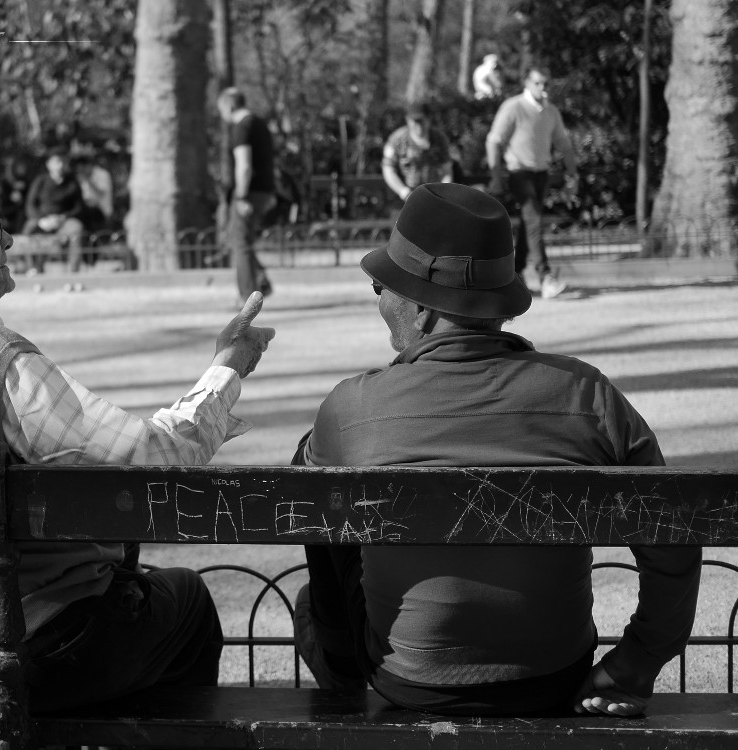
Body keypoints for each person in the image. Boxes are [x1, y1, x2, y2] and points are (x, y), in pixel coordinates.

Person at [0, 160, 275, 711]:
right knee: (186, 599)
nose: (10, 241)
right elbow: (155, 458)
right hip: (38, 650)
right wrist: (227, 368)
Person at [292, 183, 701, 717]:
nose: (381, 301)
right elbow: (673, 533)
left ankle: (346, 672)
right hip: (554, 676)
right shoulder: (587, 395)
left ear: (420, 310)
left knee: (318, 477)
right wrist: (636, 663)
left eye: (381, 288)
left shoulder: (350, 409)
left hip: (407, 681)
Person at [486, 67, 578, 299]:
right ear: (526, 83)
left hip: (541, 174)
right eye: (537, 83)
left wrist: (572, 175)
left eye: (545, 84)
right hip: (519, 173)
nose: (542, 88)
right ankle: (545, 276)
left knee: (530, 225)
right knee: (534, 220)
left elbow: (564, 144)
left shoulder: (550, 111)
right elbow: (494, 140)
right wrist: (496, 174)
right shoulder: (513, 107)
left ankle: (514, 276)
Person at [217, 87, 274, 302]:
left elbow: (244, 166)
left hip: (248, 192)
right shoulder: (260, 124)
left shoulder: (242, 127)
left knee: (239, 242)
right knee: (244, 240)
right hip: (265, 189)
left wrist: (240, 196)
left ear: (229, 106)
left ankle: (248, 296)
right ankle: (261, 280)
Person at [21, 149, 92, 273]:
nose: (60, 165)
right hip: (42, 221)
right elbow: (30, 205)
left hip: (64, 221)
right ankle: (32, 268)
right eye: (57, 162)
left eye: (64, 162)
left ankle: (74, 272)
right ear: (49, 164)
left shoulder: (72, 182)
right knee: (29, 229)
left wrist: (63, 218)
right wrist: (41, 220)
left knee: (76, 229)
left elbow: (79, 208)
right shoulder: (41, 181)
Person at [380, 102, 453, 207]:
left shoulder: (439, 139)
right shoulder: (397, 140)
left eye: (421, 121)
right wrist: (404, 192)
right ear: (407, 120)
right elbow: (388, 169)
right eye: (414, 121)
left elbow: (447, 171)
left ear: (429, 119)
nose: (418, 125)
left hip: (434, 198)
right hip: (403, 200)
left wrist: (444, 195)